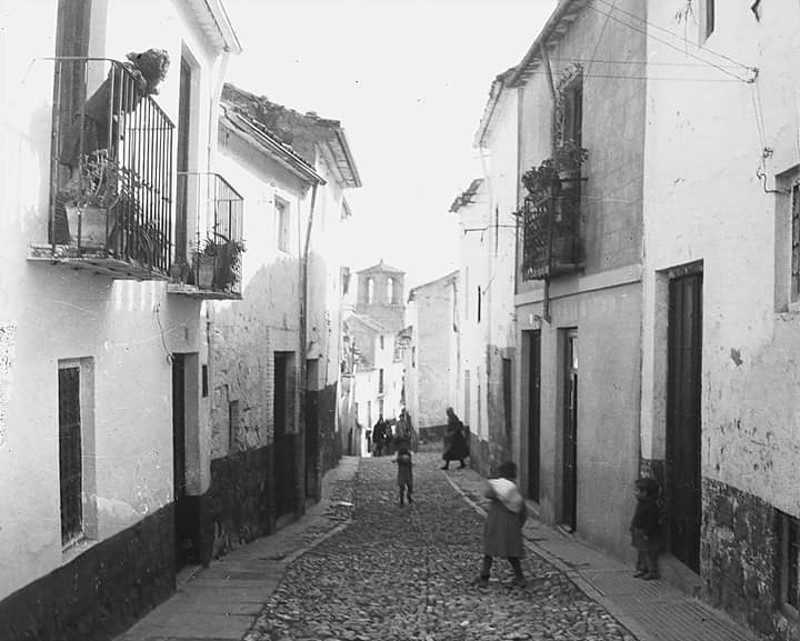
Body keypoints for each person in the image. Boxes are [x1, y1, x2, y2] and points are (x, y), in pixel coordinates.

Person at [477, 461, 528, 588]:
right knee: (512, 554)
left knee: (489, 552)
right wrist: (519, 525)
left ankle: (484, 577)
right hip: (511, 525)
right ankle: (520, 577)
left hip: (494, 523)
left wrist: (497, 490)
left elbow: (487, 493)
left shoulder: (496, 488)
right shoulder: (514, 490)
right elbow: (522, 510)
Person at [630, 477, 661, 580]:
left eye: (637, 491)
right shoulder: (641, 503)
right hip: (638, 530)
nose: (635, 493)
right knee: (641, 552)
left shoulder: (651, 506)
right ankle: (642, 568)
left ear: (645, 493)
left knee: (648, 553)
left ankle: (652, 571)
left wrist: (647, 533)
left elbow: (651, 521)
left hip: (645, 532)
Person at [392, 438, 414, 506]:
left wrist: (411, 462)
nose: (403, 446)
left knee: (410, 485)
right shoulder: (398, 453)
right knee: (401, 486)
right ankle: (401, 500)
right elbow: (393, 459)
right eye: (402, 444)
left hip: (408, 471)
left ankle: (409, 495)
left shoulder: (409, 452)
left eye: (405, 444)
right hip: (401, 471)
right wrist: (398, 458)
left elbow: (411, 460)